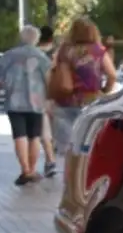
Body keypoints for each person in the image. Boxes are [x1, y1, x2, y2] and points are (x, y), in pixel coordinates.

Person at [0, 25, 54, 186]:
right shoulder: (42, 57)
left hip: (14, 101)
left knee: (19, 135)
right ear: (36, 39)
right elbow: (49, 81)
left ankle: (25, 169)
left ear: (21, 37)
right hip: (37, 102)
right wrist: (50, 100)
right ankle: (31, 170)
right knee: (34, 136)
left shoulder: (8, 56)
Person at [48, 17, 117, 156]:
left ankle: (69, 173)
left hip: (65, 102)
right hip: (91, 101)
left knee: (68, 149)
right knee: (88, 145)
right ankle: (83, 173)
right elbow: (112, 75)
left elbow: (53, 72)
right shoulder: (98, 51)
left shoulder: (64, 50)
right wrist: (105, 90)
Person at [36, 25, 58, 177]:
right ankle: (52, 157)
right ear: (51, 38)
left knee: (44, 129)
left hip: (40, 95)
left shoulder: (34, 54)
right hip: (60, 94)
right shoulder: (58, 53)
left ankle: (50, 159)